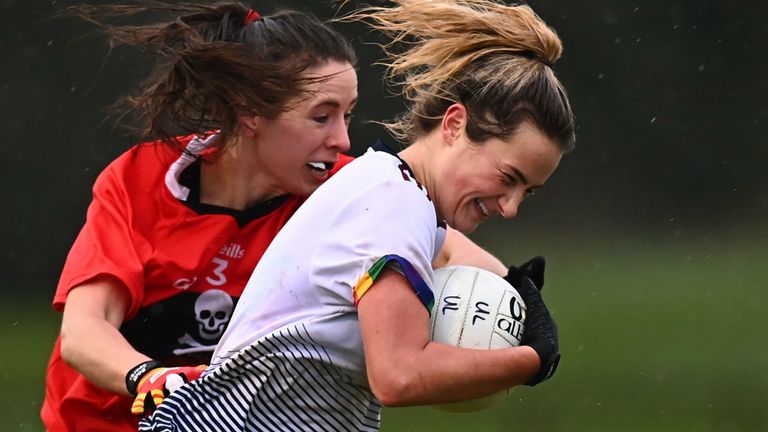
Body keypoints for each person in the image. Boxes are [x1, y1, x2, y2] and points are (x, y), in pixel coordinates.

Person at [42, 3, 510, 431]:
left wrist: (516, 302)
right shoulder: (142, 179)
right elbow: (84, 331)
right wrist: (150, 377)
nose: (343, 140)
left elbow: (453, 254)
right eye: (321, 117)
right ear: (250, 114)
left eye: (347, 114)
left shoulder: (345, 190)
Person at [138, 0, 576, 431]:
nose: (511, 206)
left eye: (528, 192)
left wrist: (520, 291)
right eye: (508, 176)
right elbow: (399, 377)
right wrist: (532, 360)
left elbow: (448, 253)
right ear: (454, 125)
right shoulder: (393, 207)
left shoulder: (390, 189)